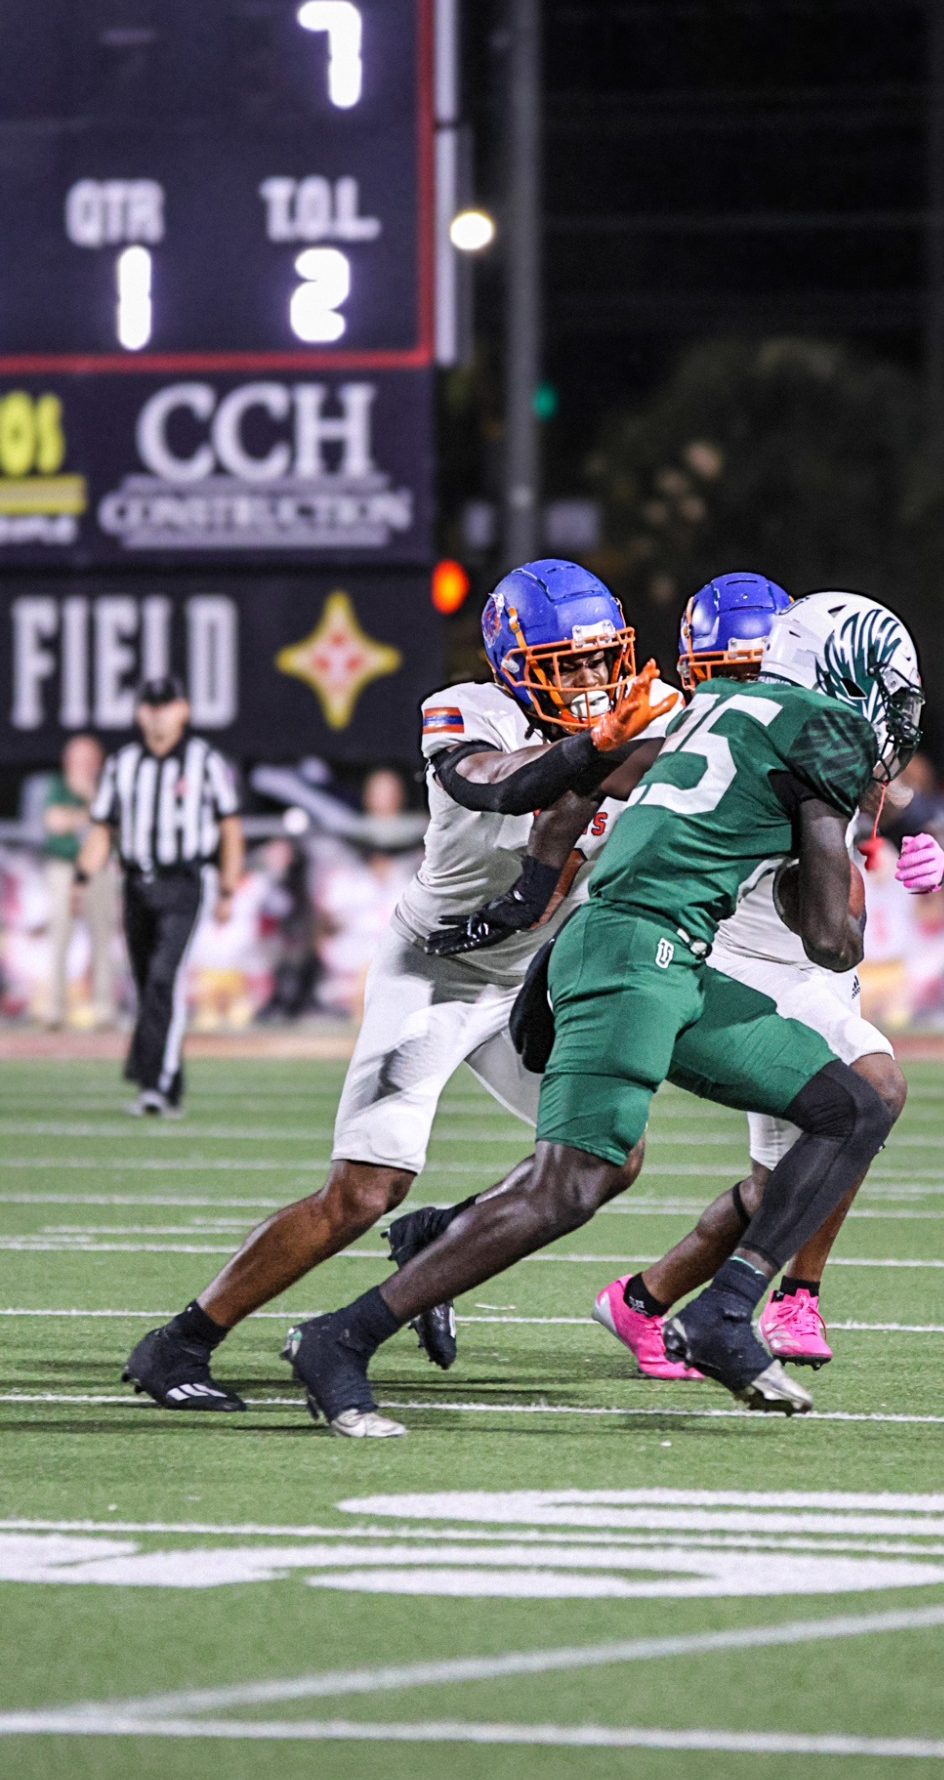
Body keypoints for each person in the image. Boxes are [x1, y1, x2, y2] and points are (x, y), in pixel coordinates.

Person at [283, 589, 926, 1436]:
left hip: (653, 956)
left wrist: (534, 916)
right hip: (634, 956)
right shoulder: (823, 732)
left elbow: (585, 787)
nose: (899, 715)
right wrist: (835, 850)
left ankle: (723, 1314)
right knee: (571, 1185)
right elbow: (832, 946)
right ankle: (341, 1337)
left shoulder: (722, 703)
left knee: (854, 1104)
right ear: (850, 675)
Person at [121, 559, 675, 1418]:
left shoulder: (640, 719)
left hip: (525, 976)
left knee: (606, 1155)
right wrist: (601, 744)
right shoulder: (466, 711)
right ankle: (180, 1340)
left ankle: (441, 1241)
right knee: (364, 1191)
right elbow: (500, 781)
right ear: (516, 663)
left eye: (604, 660)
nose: (596, 681)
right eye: (570, 663)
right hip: (436, 968)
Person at [593, 573, 944, 1377]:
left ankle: (647, 1300)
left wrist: (921, 835)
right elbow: (607, 781)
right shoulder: (708, 727)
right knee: (862, 1103)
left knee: (788, 1177)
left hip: (804, 965)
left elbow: (879, 786)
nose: (748, 689)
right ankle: (775, 1299)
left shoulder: (820, 729)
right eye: (730, 672)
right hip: (735, 958)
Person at [76, 678, 242, 1116]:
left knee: (165, 978)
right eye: (151, 705)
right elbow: (102, 826)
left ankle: (156, 1082)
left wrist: (228, 887)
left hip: (185, 882)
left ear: (183, 710)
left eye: (166, 704)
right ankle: (163, 1074)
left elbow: (230, 826)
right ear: (139, 713)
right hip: (135, 884)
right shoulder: (123, 764)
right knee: (147, 980)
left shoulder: (204, 761)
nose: (158, 714)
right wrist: (82, 876)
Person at [41, 733, 116, 1029]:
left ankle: (104, 1010)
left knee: (102, 939)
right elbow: (55, 822)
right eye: (78, 758)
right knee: (60, 937)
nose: (83, 764)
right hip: (64, 867)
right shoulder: (57, 785)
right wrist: (88, 815)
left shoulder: (104, 786)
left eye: (89, 758)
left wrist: (88, 798)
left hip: (98, 869)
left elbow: (112, 821)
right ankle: (54, 1010)